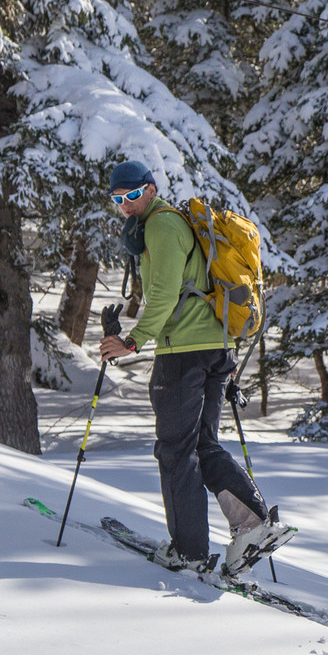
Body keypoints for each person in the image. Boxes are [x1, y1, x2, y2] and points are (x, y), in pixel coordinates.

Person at [98, 160, 290, 574]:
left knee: (176, 450)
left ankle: (189, 552)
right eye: (117, 199)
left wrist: (132, 340)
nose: (126, 205)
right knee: (201, 445)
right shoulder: (172, 224)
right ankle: (253, 524)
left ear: (150, 190)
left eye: (132, 195)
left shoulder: (162, 226)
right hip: (212, 348)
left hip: (183, 353)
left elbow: (165, 295)